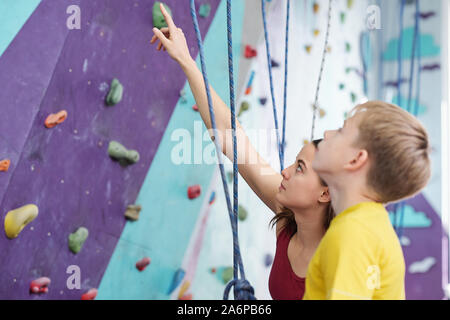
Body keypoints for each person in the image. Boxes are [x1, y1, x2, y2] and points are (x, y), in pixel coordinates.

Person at [150, 3, 334, 300]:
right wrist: (186, 59)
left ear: (325, 193)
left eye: (300, 168)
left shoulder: (337, 265)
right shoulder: (289, 218)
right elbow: (233, 141)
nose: (285, 171)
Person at [303, 101, 431, 300]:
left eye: (340, 131)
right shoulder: (370, 226)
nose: (326, 134)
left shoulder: (353, 233)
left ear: (355, 159)